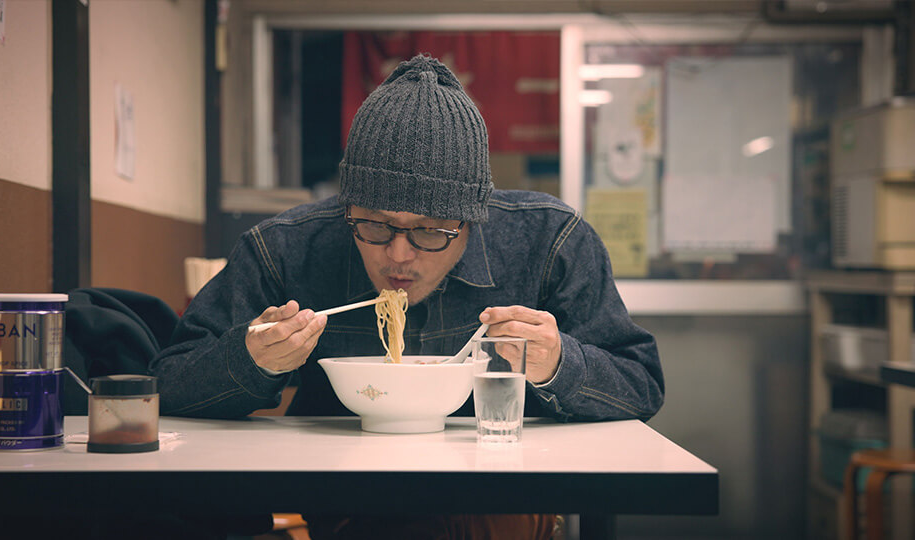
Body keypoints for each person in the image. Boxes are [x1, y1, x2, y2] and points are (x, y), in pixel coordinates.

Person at [151, 54, 663, 540]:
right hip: (352, 505)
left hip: (503, 500)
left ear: (472, 218)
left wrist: (558, 364)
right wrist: (250, 359)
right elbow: (168, 384)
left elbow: (640, 384)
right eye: (374, 225)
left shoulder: (550, 242)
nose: (398, 255)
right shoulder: (287, 248)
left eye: (429, 231)